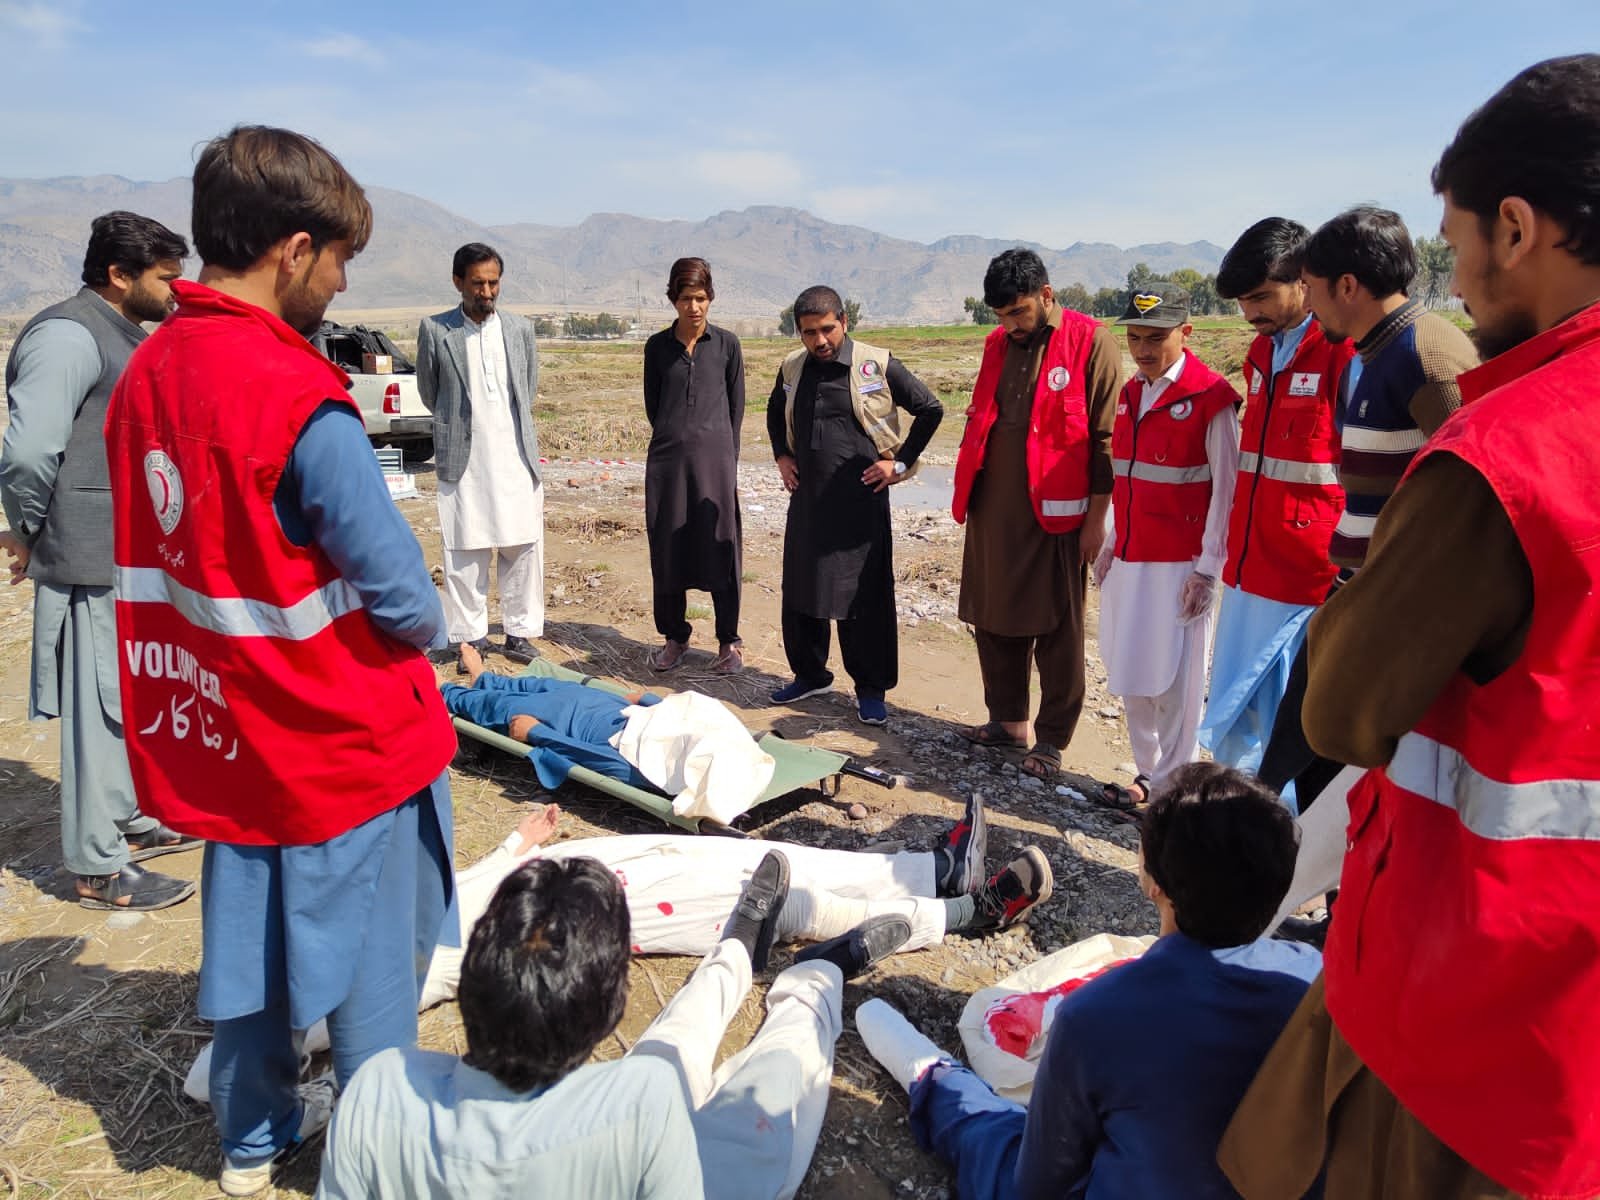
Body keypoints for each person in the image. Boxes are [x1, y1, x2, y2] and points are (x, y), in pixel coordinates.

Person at [1219, 55, 1600, 1200]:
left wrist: (1357, 603)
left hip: (1486, 1004)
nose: (1460, 270)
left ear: (1516, 228)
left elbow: (1346, 704)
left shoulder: (1507, 448)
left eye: (1460, 235)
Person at [105, 126, 458, 1197]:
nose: (342, 281)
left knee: (251, 941)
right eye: (341, 259)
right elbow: (403, 598)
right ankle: (377, 1149)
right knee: (369, 971)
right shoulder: (296, 395)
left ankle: (251, 1141)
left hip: (221, 722)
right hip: (336, 736)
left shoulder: (148, 373)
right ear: (293, 250)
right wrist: (426, 630)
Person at [182, 793, 1054, 1097]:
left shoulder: (332, 911)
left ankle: (919, 864)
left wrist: (514, 847)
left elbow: (447, 890)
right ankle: (955, 906)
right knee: (744, 897)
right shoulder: (324, 992)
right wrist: (310, 1090)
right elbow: (207, 1074)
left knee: (733, 857)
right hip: (540, 932)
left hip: (540, 877)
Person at [856, 763, 1320, 1200]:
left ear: (1153, 880)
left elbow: (1039, 1181)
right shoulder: (1314, 979)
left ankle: (930, 1075)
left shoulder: (1097, 1015)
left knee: (989, 1133)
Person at [315, 851, 839, 1200]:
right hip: (659, 1157)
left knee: (671, 1051)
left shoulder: (375, 1089)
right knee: (768, 1104)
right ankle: (816, 984)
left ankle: (740, 949)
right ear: (611, 1011)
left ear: (472, 982)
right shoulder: (639, 1100)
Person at [0, 211, 197, 910]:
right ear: (119, 275)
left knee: (123, 700)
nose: (177, 290)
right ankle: (96, 868)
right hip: (86, 553)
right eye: (165, 277)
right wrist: (27, 528)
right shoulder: (67, 335)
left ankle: (129, 822)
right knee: (97, 708)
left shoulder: (117, 330)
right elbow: (27, 452)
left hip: (120, 554)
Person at [1256, 208, 1480, 812]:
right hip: (1356, 588)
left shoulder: (1428, 357)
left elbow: (1474, 499)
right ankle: (1329, 900)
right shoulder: (1372, 354)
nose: (1307, 301)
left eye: (1312, 286)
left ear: (1347, 286)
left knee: (1335, 752)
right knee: (1310, 751)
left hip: (1395, 604)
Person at [952, 249, 1122, 781]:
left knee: (1058, 629)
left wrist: (1097, 520)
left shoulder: (1092, 341)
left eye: (1020, 313)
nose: (1011, 326)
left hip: (1059, 515)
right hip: (993, 507)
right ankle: (1007, 721)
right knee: (992, 615)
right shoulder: (997, 343)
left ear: (1047, 295)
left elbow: (1105, 439)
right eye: (1001, 316)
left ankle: (1051, 739)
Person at [1199, 220, 1355, 786]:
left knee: (1294, 725)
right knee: (1242, 713)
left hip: (1309, 576)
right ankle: (1240, 826)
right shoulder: (1262, 353)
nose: (1250, 312)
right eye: (1243, 300)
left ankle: (1282, 843)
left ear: (1305, 282)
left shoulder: (1342, 353)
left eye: (1261, 296)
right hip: (1250, 567)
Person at [766, 286, 943, 726]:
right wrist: (782, 456)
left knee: (864, 597)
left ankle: (870, 688)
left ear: (844, 321)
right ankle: (809, 674)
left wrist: (899, 464)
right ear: (799, 332)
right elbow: (774, 412)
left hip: (861, 503)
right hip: (808, 502)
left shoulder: (875, 364)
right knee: (803, 589)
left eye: (827, 329)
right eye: (810, 332)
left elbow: (931, 409)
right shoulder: (792, 367)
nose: (820, 340)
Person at [1094, 284, 1241, 808]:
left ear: (1186, 332)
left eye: (1156, 337)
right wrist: (1111, 542)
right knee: (1132, 669)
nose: (1143, 349)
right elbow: (1125, 479)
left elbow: (1226, 492)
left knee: (1178, 682)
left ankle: (1174, 786)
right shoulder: (1132, 393)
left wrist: (1208, 569)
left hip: (1181, 564)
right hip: (1131, 557)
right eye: (1134, 338)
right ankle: (1146, 773)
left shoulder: (1211, 399)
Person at [415, 242, 545, 670]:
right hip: (463, 457)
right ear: (458, 283)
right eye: (478, 283)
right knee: (464, 548)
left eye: (493, 283)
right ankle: (469, 637)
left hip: (514, 455)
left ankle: (519, 633)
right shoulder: (436, 331)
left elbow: (526, 387)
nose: (487, 292)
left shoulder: (520, 329)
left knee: (521, 545)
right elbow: (429, 392)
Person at [643, 256, 746, 674]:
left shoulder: (726, 345)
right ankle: (674, 637)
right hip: (667, 464)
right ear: (673, 300)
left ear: (711, 298)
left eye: (701, 298)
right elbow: (656, 406)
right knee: (668, 547)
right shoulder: (657, 347)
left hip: (715, 464)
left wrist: (721, 454)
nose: (694, 307)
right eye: (686, 298)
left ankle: (729, 642)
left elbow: (735, 407)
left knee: (721, 546)